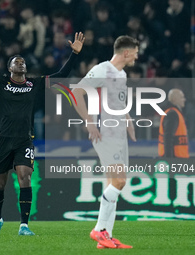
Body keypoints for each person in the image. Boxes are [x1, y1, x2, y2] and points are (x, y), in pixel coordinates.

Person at [0, 25, 84, 235]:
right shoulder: (0, 81)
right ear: (10, 68)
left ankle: (24, 225)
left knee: (25, 176)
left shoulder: (33, 84)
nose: (21, 63)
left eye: (23, 62)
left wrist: (74, 54)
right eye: (17, 62)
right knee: (0, 183)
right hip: (2, 139)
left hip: (24, 139)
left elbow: (60, 74)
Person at [72, 35, 139, 249]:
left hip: (118, 134)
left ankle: (106, 237)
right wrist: (89, 122)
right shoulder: (102, 69)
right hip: (105, 133)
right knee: (119, 182)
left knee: (114, 184)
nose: (137, 55)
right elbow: (76, 93)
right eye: (136, 51)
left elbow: (118, 103)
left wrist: (128, 120)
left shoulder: (122, 74)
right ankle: (99, 230)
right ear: (126, 52)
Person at [158, 88, 189, 158]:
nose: (184, 99)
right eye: (182, 97)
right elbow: (168, 138)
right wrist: (170, 160)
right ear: (175, 99)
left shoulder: (174, 113)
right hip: (176, 157)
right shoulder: (172, 114)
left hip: (178, 157)